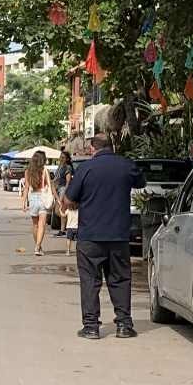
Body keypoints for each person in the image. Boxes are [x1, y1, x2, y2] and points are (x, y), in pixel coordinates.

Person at [63, 131, 141, 339]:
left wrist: (81, 202)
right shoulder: (126, 165)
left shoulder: (85, 169)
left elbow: (69, 200)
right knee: (120, 279)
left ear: (92, 148)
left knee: (90, 280)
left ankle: (91, 327)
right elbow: (140, 182)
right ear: (112, 146)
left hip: (90, 235)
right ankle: (124, 325)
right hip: (119, 235)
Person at [20, 150, 55, 256]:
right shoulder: (45, 170)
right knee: (42, 225)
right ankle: (37, 247)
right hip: (43, 198)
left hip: (33, 198)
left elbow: (26, 188)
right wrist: (57, 198)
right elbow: (51, 186)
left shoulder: (28, 171)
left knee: (35, 225)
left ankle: (38, 246)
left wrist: (23, 202)